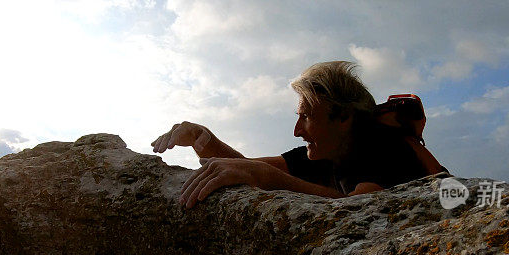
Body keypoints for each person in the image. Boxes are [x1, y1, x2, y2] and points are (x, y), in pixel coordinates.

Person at [151, 61, 444, 208]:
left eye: (306, 117)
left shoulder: (383, 144)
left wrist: (267, 179)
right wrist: (203, 138)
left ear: (343, 117)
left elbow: (359, 209)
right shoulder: (329, 148)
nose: (296, 131)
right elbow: (244, 167)